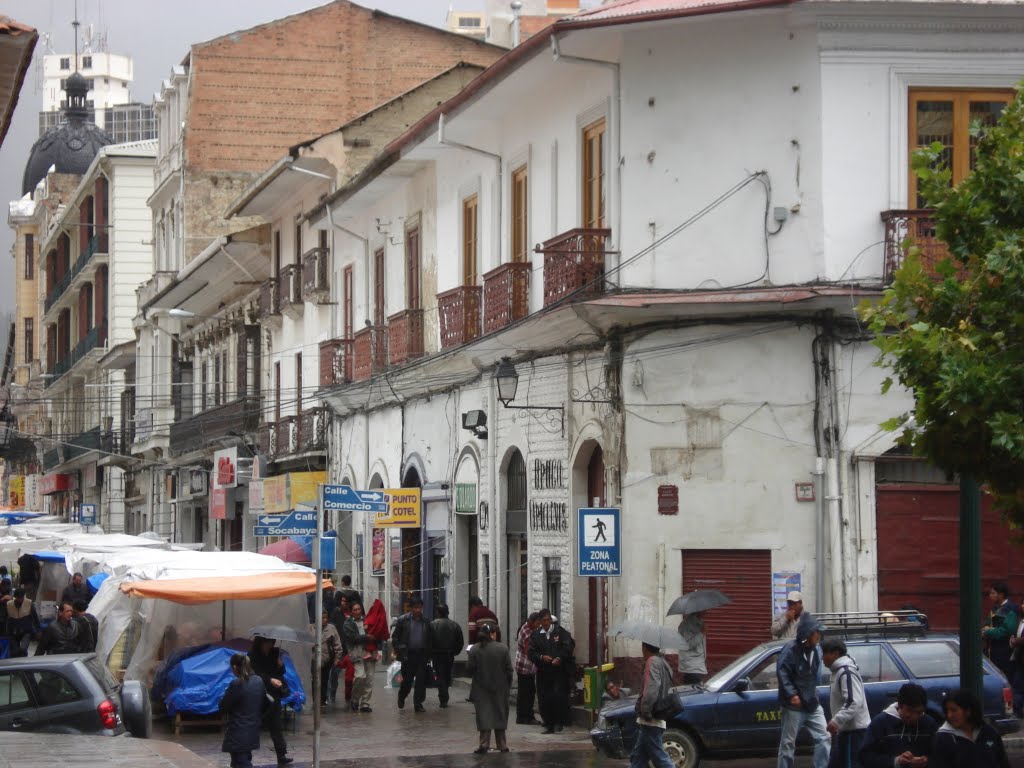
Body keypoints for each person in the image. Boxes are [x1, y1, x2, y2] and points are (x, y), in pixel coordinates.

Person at [776, 611, 830, 768]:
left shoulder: (816, 651)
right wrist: (792, 694)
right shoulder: (790, 650)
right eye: (817, 633)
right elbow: (782, 672)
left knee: (824, 737)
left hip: (812, 704)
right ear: (809, 633)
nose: (819, 636)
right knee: (787, 744)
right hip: (794, 706)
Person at [859, 683, 937, 768]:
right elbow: (865, 757)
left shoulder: (929, 724)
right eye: (909, 711)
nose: (914, 717)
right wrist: (896, 761)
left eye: (919, 712)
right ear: (900, 705)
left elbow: (939, 754)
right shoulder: (880, 723)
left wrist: (927, 760)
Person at [928, 689, 1009, 768]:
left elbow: (1003, 763)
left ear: (968, 711)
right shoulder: (943, 739)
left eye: (954, 710)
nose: (949, 715)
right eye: (947, 711)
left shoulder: (989, 732)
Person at [821, 638, 869, 768]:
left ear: (835, 654)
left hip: (853, 732)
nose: (822, 658)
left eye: (825, 653)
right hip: (845, 731)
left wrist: (837, 721)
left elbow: (854, 701)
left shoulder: (846, 672)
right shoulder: (838, 672)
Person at [468, 620, 513, 753]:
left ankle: (484, 743)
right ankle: (502, 744)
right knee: (500, 714)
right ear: (493, 634)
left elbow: (469, 669)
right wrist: (507, 685)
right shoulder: (503, 649)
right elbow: (509, 670)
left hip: (481, 688)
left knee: (484, 715)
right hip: (500, 688)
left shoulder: (475, 649)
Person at [248, 635, 293, 766]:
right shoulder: (252, 655)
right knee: (252, 725)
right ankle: (246, 755)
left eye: (272, 643)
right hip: (259, 692)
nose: (270, 645)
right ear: (261, 642)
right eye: (268, 643)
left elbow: (280, 672)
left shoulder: (275, 653)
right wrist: (270, 680)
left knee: (276, 725)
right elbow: (254, 673)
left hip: (274, 693)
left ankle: (281, 754)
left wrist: (281, 665)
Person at [630, 641, 675, 768]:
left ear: (644, 648)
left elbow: (651, 689)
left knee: (660, 757)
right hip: (655, 717)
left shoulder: (652, 662)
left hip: (651, 717)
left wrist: (645, 711)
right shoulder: (662, 662)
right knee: (638, 758)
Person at [529, 608, 574, 734]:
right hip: (544, 672)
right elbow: (531, 653)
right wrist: (542, 658)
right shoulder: (536, 635)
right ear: (540, 621)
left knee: (558, 696)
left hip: (559, 672)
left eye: (548, 620)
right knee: (544, 698)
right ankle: (548, 724)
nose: (546, 623)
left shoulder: (560, 632)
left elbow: (569, 646)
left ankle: (559, 722)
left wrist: (560, 657)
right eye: (543, 621)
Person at [219, 653, 266, 768]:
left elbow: (224, 706)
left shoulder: (237, 684)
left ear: (235, 667)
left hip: (238, 732)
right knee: (240, 761)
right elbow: (263, 703)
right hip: (253, 729)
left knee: (241, 762)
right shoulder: (259, 681)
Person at [392, 595, 433, 712]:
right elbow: (395, 638)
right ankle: (402, 695)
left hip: (421, 655)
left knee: (421, 681)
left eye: (420, 608)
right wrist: (400, 648)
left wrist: (429, 654)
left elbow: (430, 639)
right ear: (411, 608)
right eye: (415, 608)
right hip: (408, 655)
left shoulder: (426, 622)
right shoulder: (403, 620)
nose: (418, 610)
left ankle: (418, 703)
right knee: (407, 681)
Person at [343, 601, 382, 713]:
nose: (357, 611)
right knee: (360, 676)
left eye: (359, 609)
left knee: (369, 679)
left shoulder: (368, 620)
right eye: (354, 610)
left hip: (370, 653)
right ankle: (354, 700)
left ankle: (365, 703)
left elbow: (377, 633)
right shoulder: (348, 624)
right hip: (357, 654)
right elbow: (353, 638)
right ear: (351, 612)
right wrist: (367, 637)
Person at [430, 603, 463, 708]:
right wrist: (455, 652)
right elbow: (460, 642)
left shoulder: (432, 625)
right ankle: (444, 696)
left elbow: (428, 641)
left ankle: (443, 697)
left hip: (437, 655)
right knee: (447, 674)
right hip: (449, 655)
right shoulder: (455, 625)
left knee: (440, 675)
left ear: (438, 612)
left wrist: (430, 653)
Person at [983, 581, 1019, 678]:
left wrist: (988, 631)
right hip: (992, 649)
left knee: (1004, 678)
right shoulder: (995, 608)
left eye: (993, 593)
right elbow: (987, 623)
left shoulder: (1011, 609)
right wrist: (986, 629)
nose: (990, 595)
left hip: (1005, 651)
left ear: (1001, 594)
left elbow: (1007, 630)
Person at [514, 612, 542, 725]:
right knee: (527, 692)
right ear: (532, 621)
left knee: (525, 692)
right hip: (525, 667)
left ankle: (523, 716)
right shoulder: (527, 632)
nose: (539, 625)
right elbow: (528, 651)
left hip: (525, 666)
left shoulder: (527, 628)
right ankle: (526, 717)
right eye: (537, 623)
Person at [317, 610, 342, 708]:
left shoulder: (331, 629)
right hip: (315, 660)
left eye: (326, 618)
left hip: (327, 660)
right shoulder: (312, 628)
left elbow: (337, 644)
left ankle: (323, 700)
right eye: (322, 618)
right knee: (315, 681)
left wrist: (337, 658)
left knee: (325, 680)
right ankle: (317, 700)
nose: (325, 620)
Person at [5, 587, 39, 657]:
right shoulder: (9, 604)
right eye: (19, 597)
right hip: (13, 632)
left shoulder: (29, 603)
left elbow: (35, 617)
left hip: (26, 631)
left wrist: (38, 630)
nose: (21, 599)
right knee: (14, 652)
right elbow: (6, 618)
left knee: (23, 650)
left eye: (22, 597)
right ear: (15, 597)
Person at [676, 611, 707, 684]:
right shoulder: (686, 624)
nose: (707, 611)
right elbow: (687, 644)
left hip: (697, 666)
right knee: (694, 693)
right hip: (692, 667)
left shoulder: (699, 622)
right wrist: (702, 633)